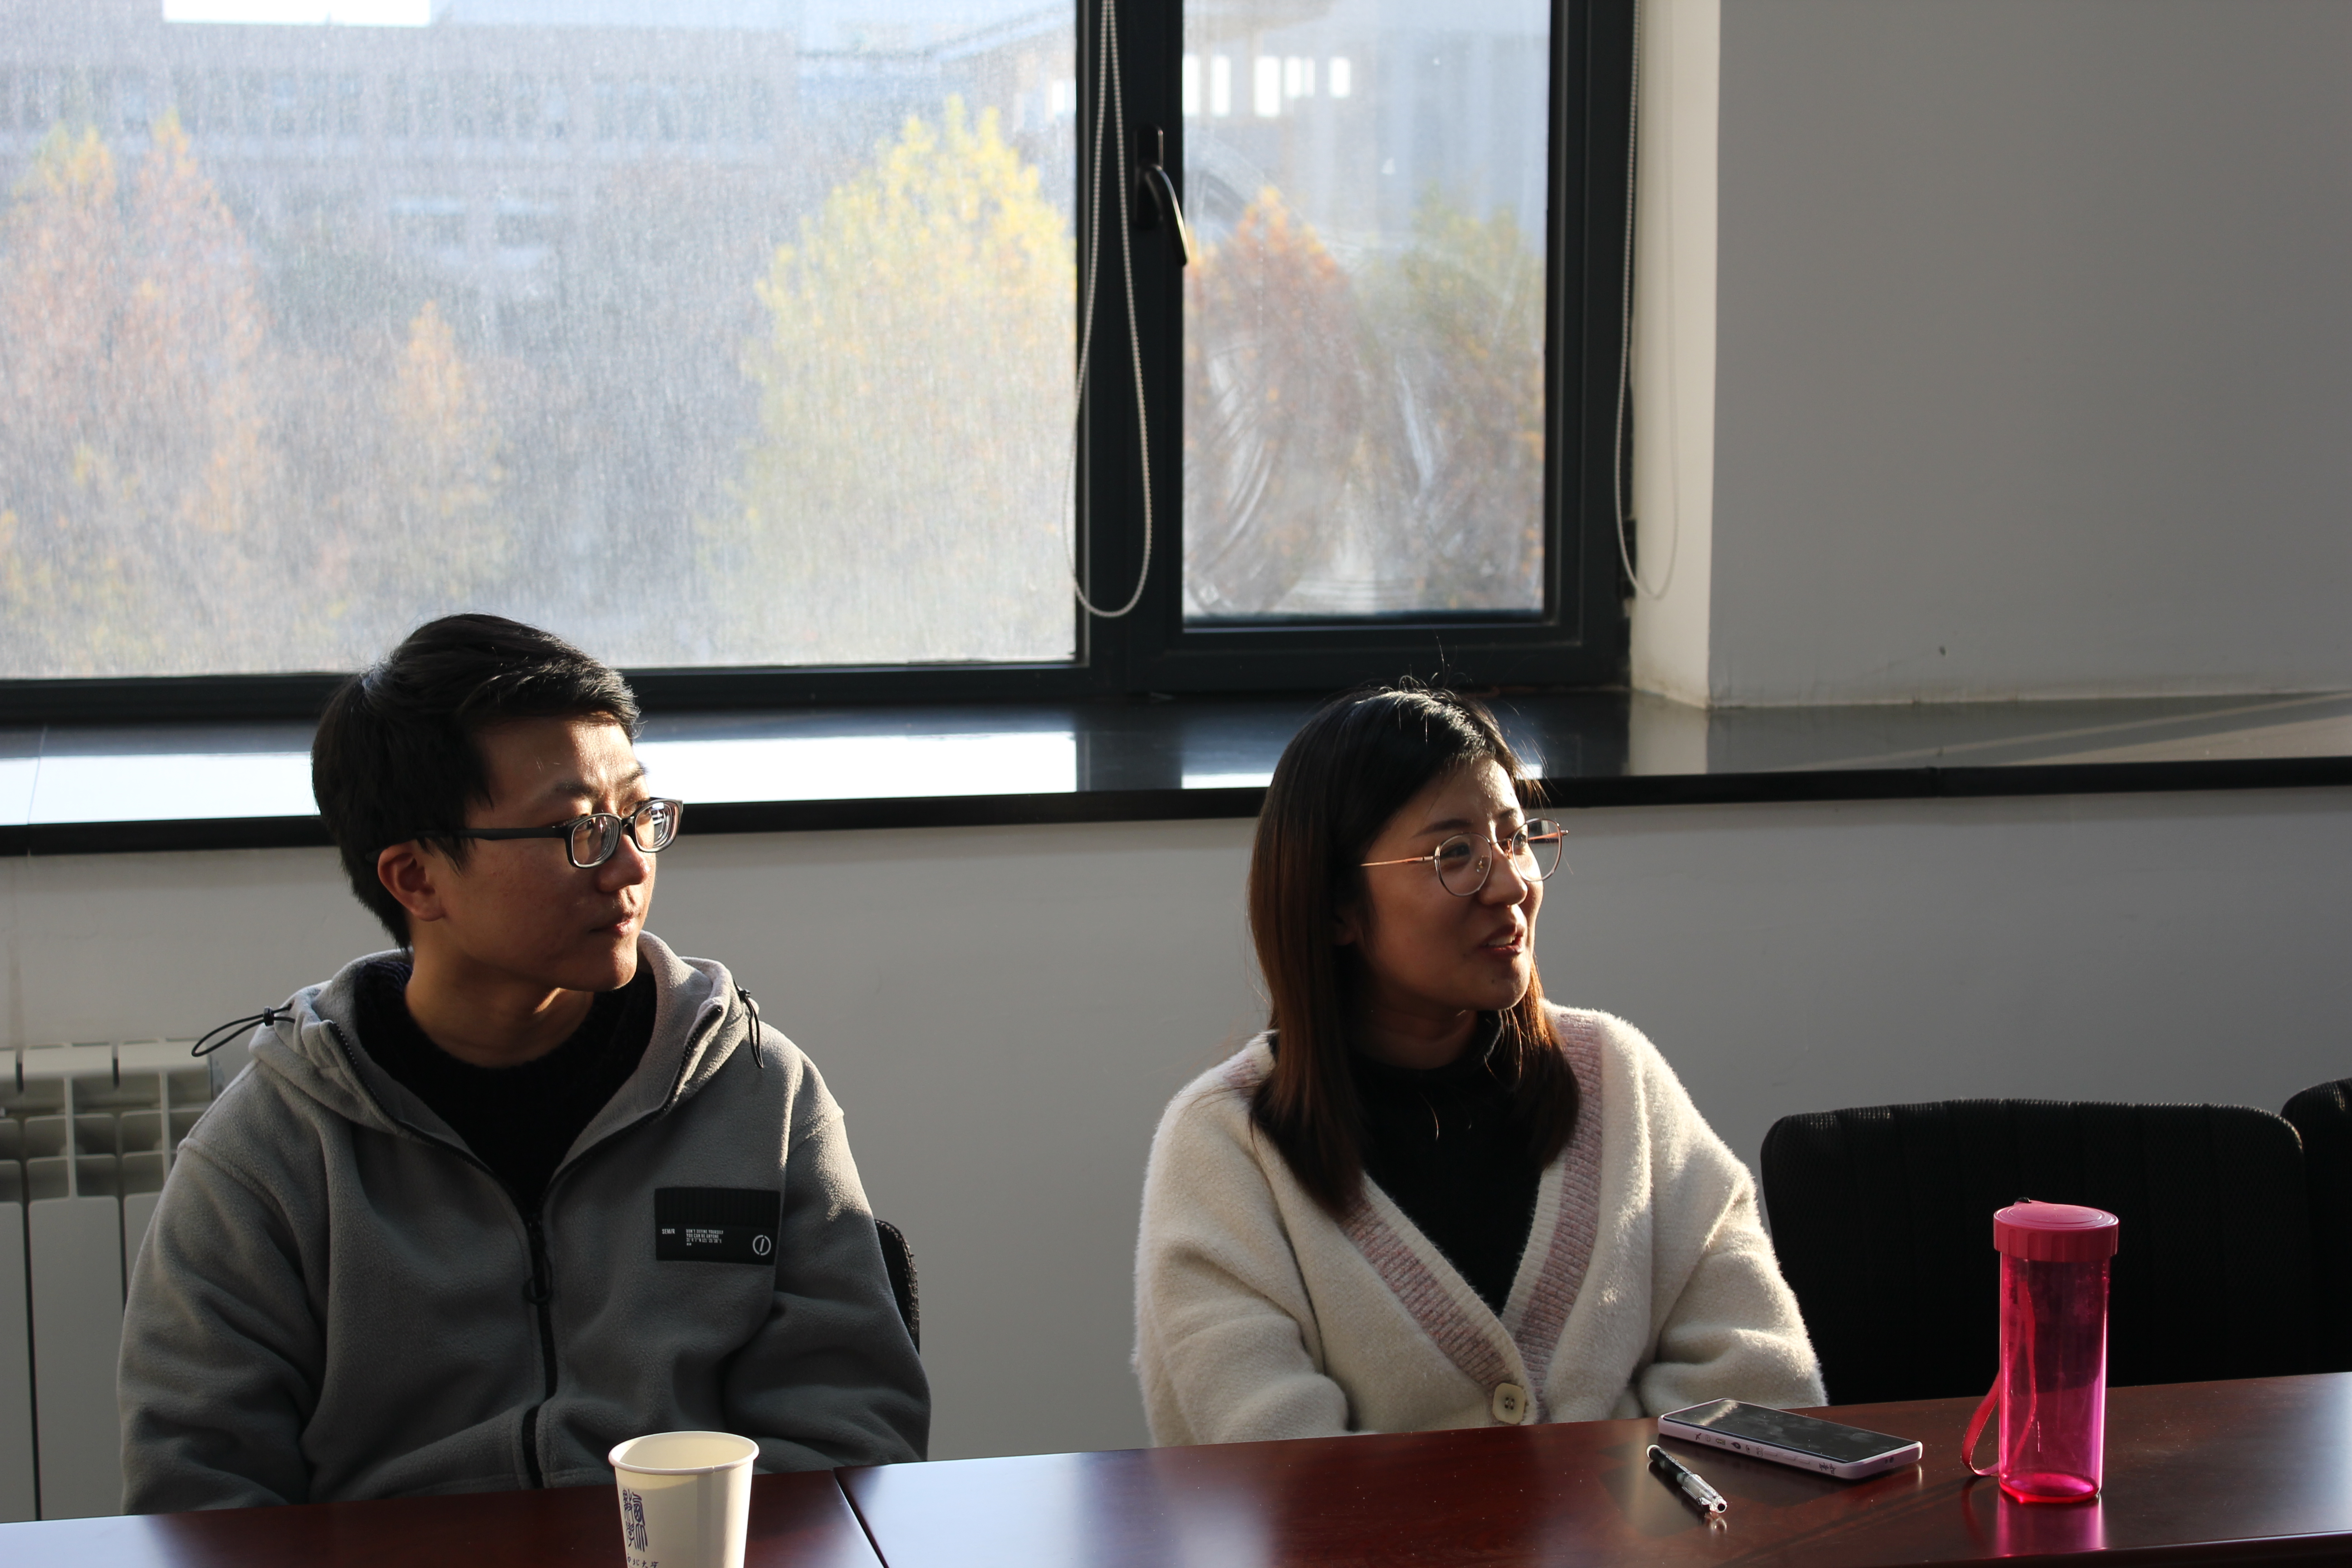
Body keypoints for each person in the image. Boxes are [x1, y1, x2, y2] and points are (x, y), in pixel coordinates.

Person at [119, 615, 927, 1510]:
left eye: (638, 815)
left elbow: (850, 1436)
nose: (629, 867)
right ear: (417, 878)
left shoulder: (758, 1096)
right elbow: (201, 1498)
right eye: (577, 830)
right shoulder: (269, 1157)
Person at [1133, 686, 1823, 1443]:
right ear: (1335, 906)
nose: (1512, 884)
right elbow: (1268, 1476)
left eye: (1516, 838)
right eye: (1454, 853)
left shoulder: (1616, 1078)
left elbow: (1765, 1389)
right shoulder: (1226, 1147)